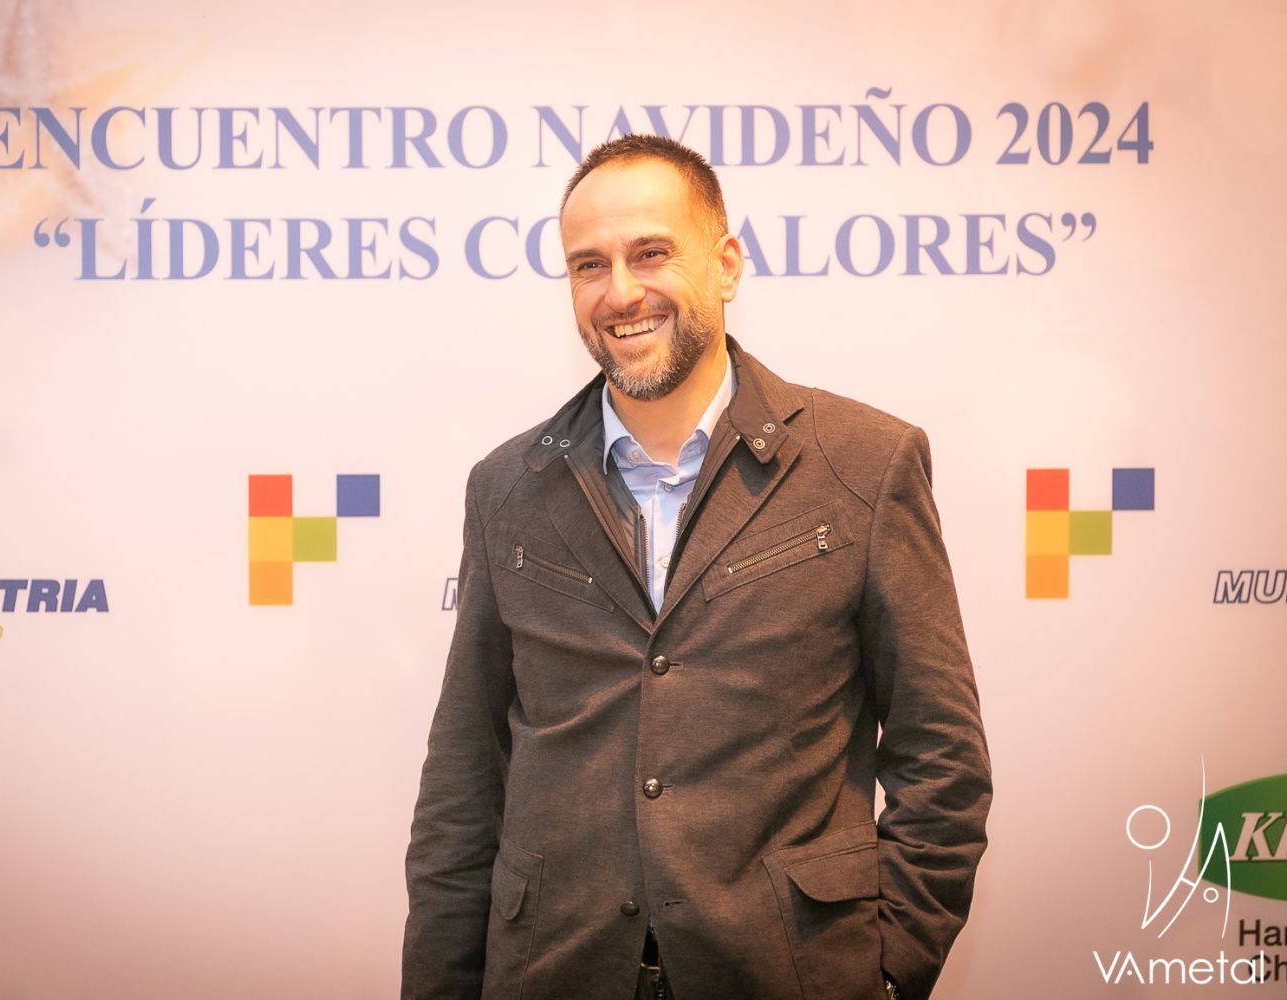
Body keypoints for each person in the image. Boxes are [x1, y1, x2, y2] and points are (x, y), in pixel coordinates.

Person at [403, 134, 992, 1000]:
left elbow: (941, 757)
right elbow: (464, 778)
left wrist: (887, 973)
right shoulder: (507, 488)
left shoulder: (866, 465)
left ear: (726, 264)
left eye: (651, 252)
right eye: (589, 265)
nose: (620, 292)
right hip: (555, 971)